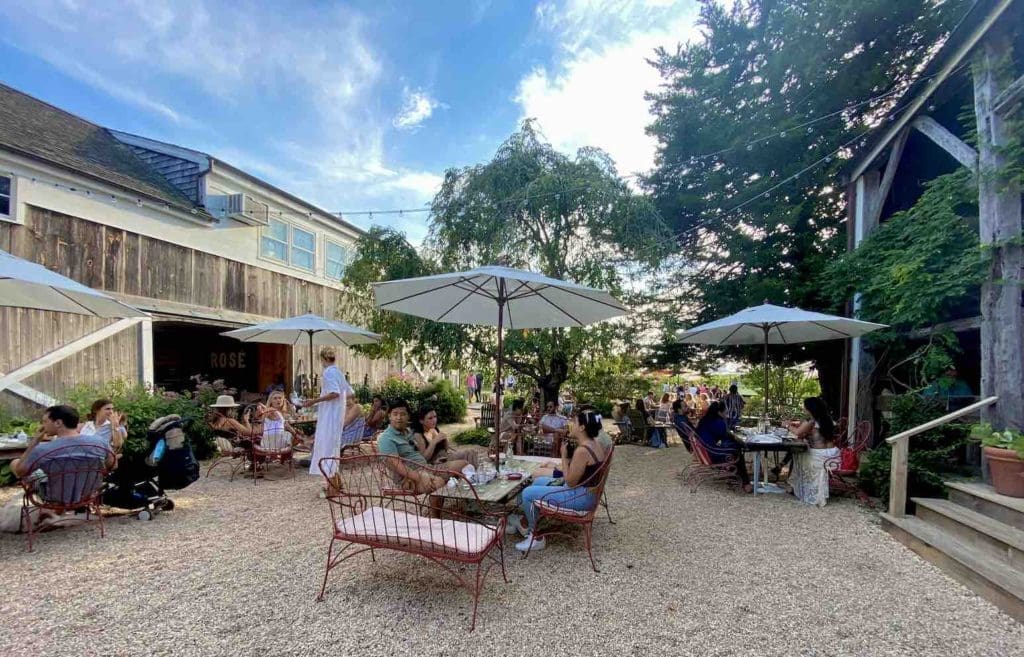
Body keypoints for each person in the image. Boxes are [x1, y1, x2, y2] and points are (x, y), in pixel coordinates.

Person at [510, 409, 607, 552]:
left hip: (581, 498)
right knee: (538, 481)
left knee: (527, 493)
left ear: (582, 427)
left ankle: (535, 537)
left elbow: (570, 482)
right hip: (586, 493)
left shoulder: (582, 451)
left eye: (574, 422)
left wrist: (563, 455)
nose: (570, 424)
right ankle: (525, 521)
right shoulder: (594, 444)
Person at [377, 400, 475, 515]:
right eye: (395, 414)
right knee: (438, 483)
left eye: (403, 414)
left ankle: (468, 502)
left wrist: (434, 462)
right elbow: (398, 466)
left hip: (427, 467)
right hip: (409, 477)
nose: (399, 418)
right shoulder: (386, 438)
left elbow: (419, 455)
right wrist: (421, 477)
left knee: (464, 464)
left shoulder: (408, 432)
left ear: (408, 416)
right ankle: (435, 519)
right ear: (389, 416)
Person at [11, 405, 115, 480]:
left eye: (45, 422)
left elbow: (21, 472)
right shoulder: (100, 443)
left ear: (58, 423)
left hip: (55, 494)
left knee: (15, 463)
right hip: (88, 493)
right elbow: (113, 465)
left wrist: (34, 443)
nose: (42, 426)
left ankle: (53, 509)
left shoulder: (43, 449)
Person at [301, 346, 354, 478]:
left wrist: (314, 401)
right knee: (333, 446)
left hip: (330, 415)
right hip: (337, 414)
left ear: (323, 359)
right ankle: (334, 479)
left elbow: (334, 393)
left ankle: (330, 481)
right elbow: (350, 392)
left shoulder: (328, 372)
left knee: (327, 445)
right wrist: (339, 403)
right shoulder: (339, 372)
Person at [787, 397, 840, 507]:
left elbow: (798, 433)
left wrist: (787, 425)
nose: (804, 409)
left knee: (797, 455)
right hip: (833, 455)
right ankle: (793, 484)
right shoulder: (829, 420)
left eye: (805, 407)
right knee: (798, 453)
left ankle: (796, 487)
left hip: (819, 457)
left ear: (810, 409)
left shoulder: (812, 421)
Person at [696, 401, 751, 493]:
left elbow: (725, 436)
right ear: (719, 412)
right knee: (736, 450)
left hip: (705, 450)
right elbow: (727, 435)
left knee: (733, 446)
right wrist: (743, 443)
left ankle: (736, 475)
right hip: (712, 453)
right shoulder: (718, 422)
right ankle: (745, 482)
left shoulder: (705, 420)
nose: (726, 414)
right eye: (725, 412)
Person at [412, 405, 476, 466]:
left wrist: (445, 439)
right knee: (468, 456)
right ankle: (471, 475)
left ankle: (473, 475)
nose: (434, 420)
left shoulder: (434, 429)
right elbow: (424, 459)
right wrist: (434, 442)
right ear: (421, 421)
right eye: (430, 418)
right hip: (437, 463)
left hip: (446, 457)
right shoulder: (418, 435)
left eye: (435, 417)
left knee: (471, 452)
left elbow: (446, 448)